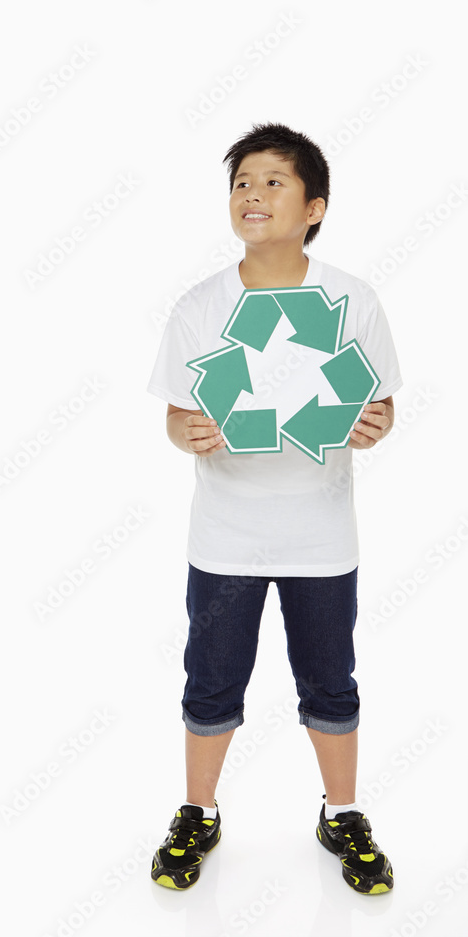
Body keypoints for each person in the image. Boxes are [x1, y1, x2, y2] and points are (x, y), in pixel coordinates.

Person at [145, 121, 403, 896]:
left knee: (330, 680)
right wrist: (184, 431)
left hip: (321, 539)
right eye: (240, 183)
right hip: (225, 539)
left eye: (272, 182)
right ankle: (198, 811)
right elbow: (174, 413)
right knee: (210, 680)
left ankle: (343, 810)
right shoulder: (200, 305)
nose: (251, 194)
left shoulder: (351, 299)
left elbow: (379, 404)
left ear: (314, 206)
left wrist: (378, 422)